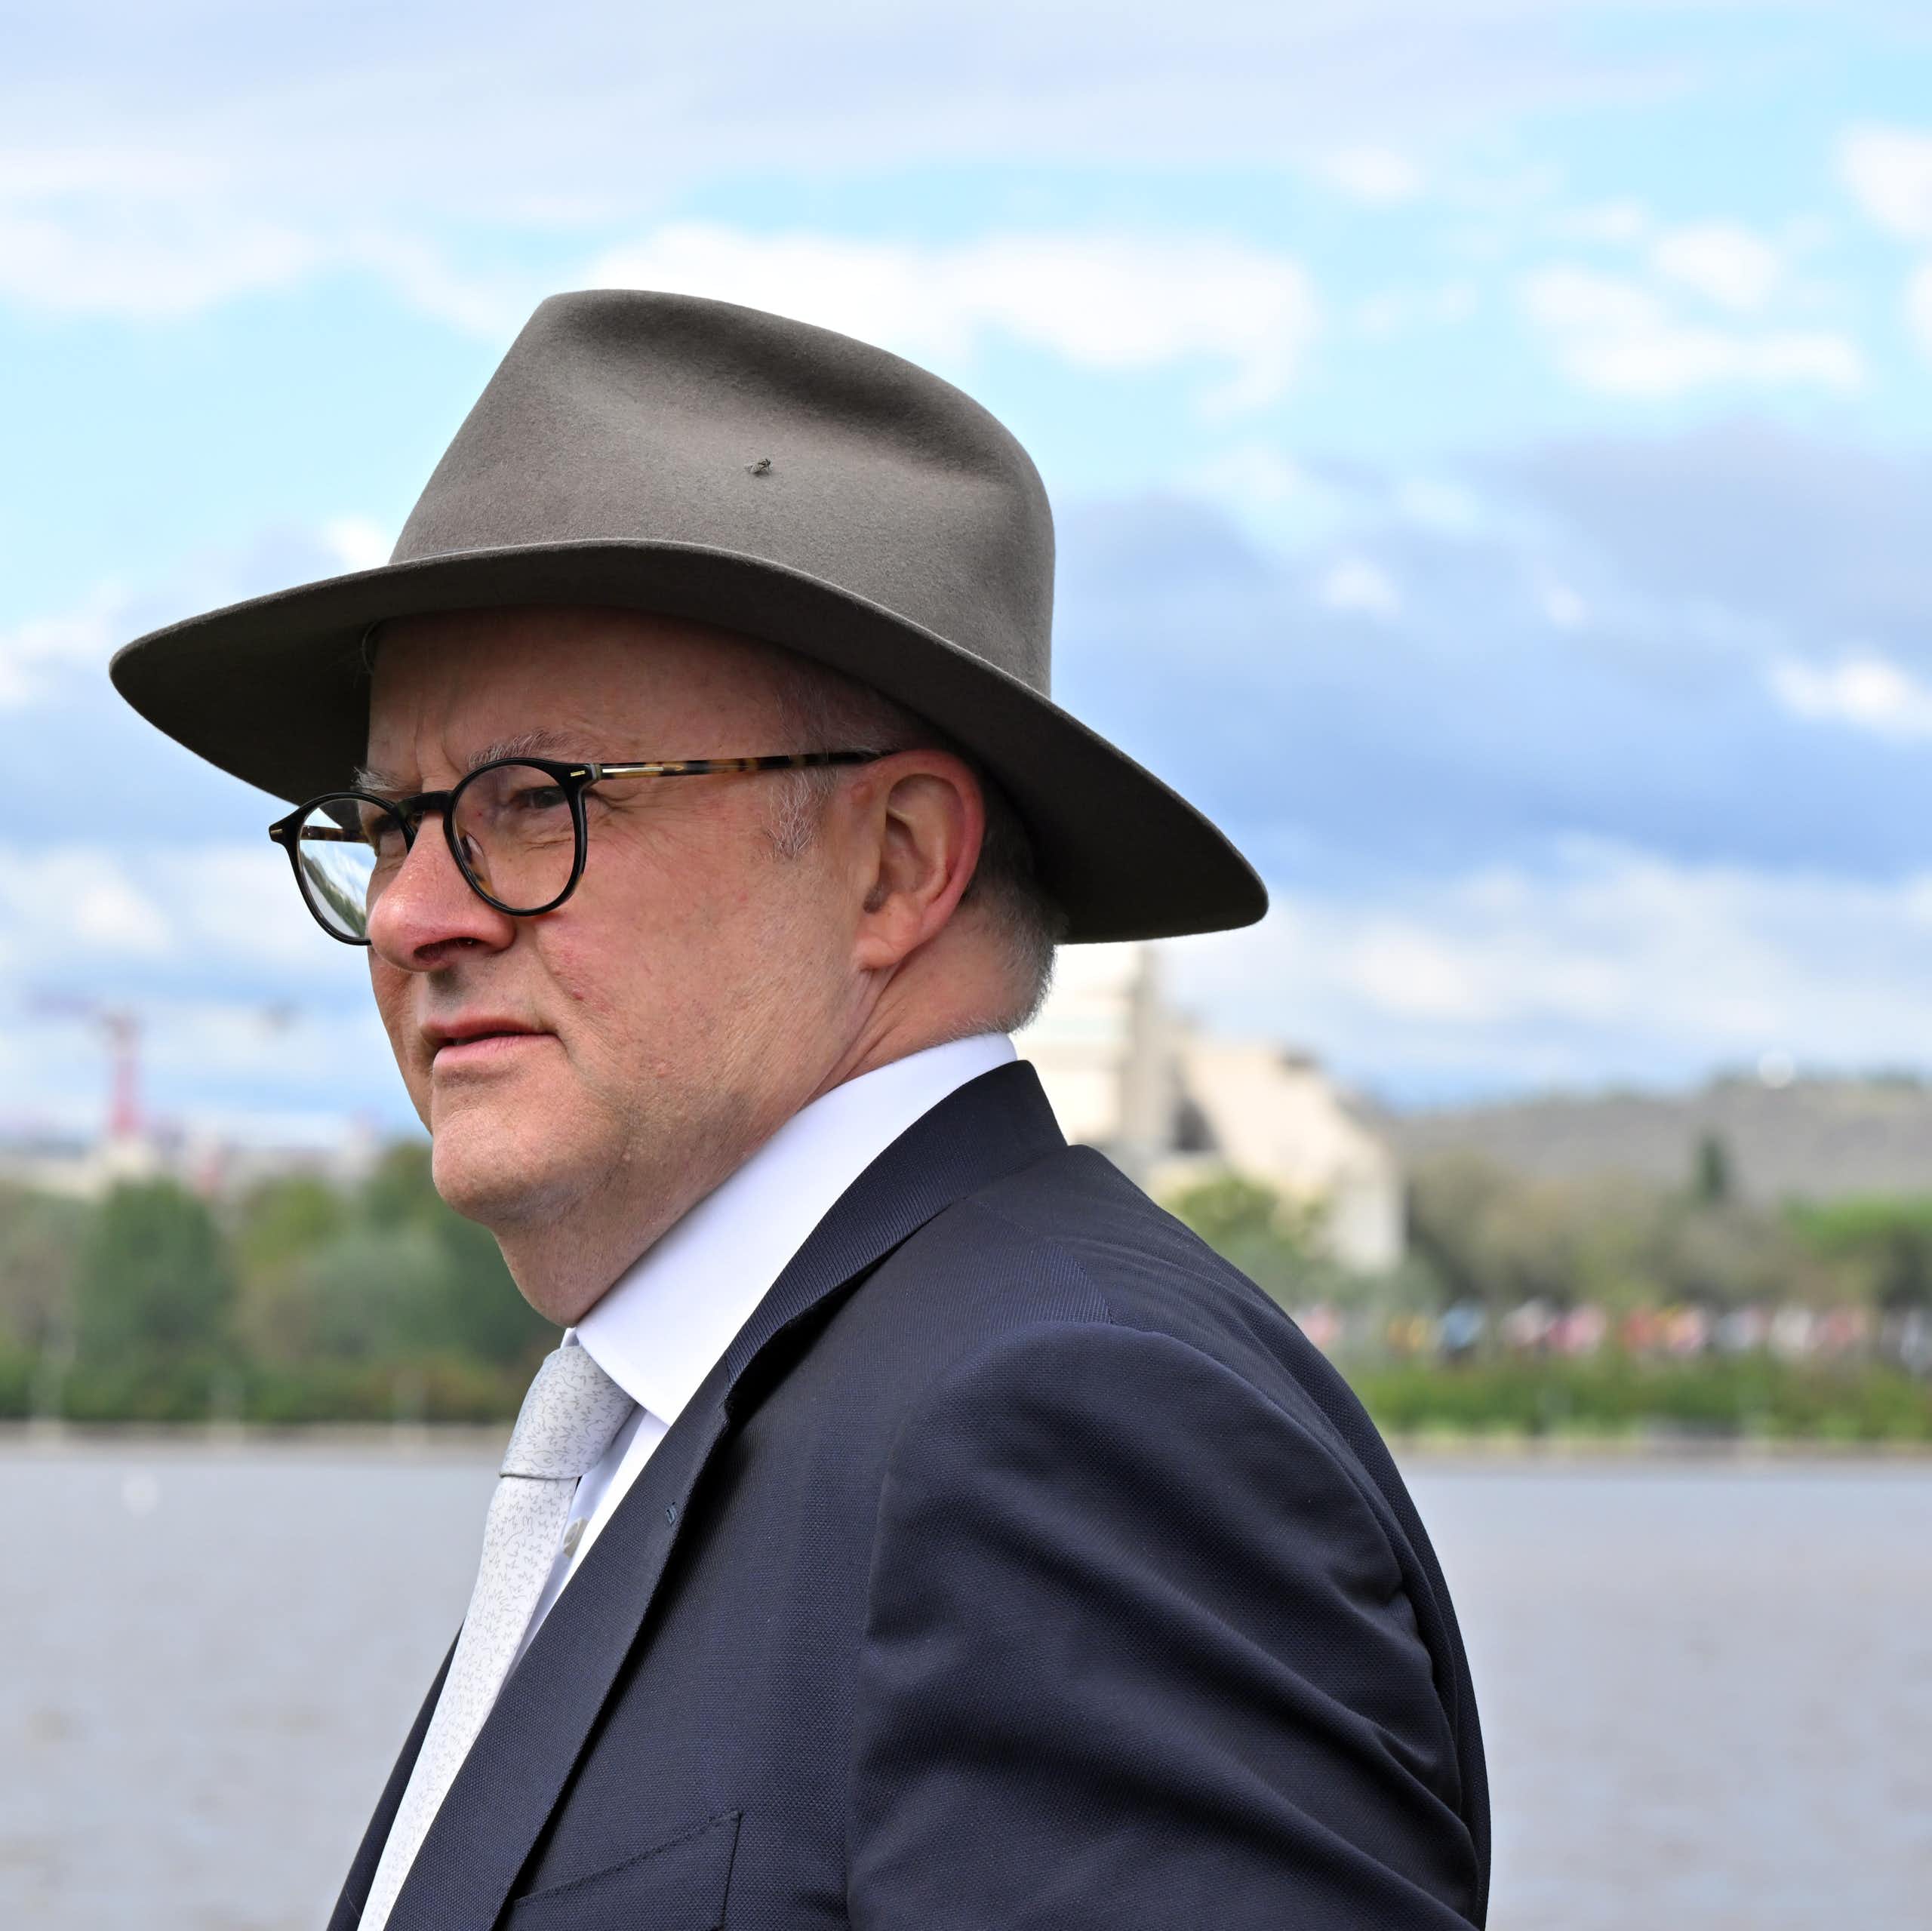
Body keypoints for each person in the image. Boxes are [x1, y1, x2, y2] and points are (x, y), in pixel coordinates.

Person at [112, 291, 1488, 1929]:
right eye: (389, 821)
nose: (415, 913)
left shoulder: (1064, 1426)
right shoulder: (750, 1413)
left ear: (896, 863)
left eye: (529, 803)